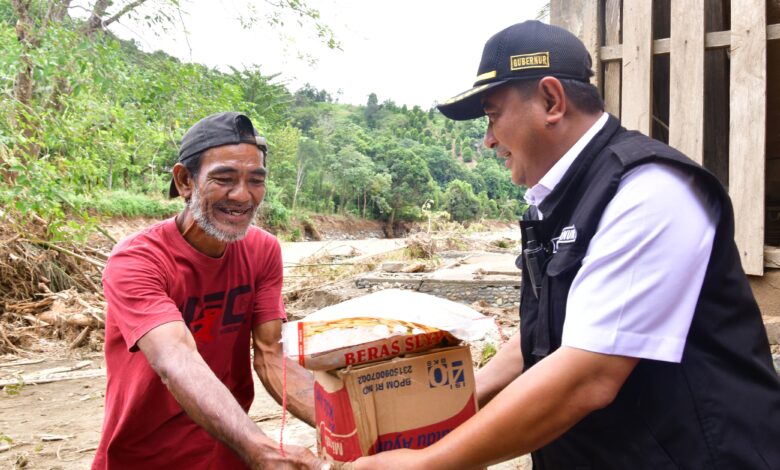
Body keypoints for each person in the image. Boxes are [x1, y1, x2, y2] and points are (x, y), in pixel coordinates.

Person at [354, 20, 780, 469]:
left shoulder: (650, 189)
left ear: (551, 101)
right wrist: (457, 406)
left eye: (492, 115)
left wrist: (427, 463)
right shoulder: (555, 200)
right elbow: (544, 331)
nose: (488, 140)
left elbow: (587, 376)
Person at [93, 112, 329, 470]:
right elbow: (175, 357)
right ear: (185, 180)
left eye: (256, 180)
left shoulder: (263, 251)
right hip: (144, 460)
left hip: (228, 455)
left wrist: (345, 425)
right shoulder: (138, 259)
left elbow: (270, 355)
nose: (242, 195)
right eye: (224, 179)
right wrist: (259, 448)